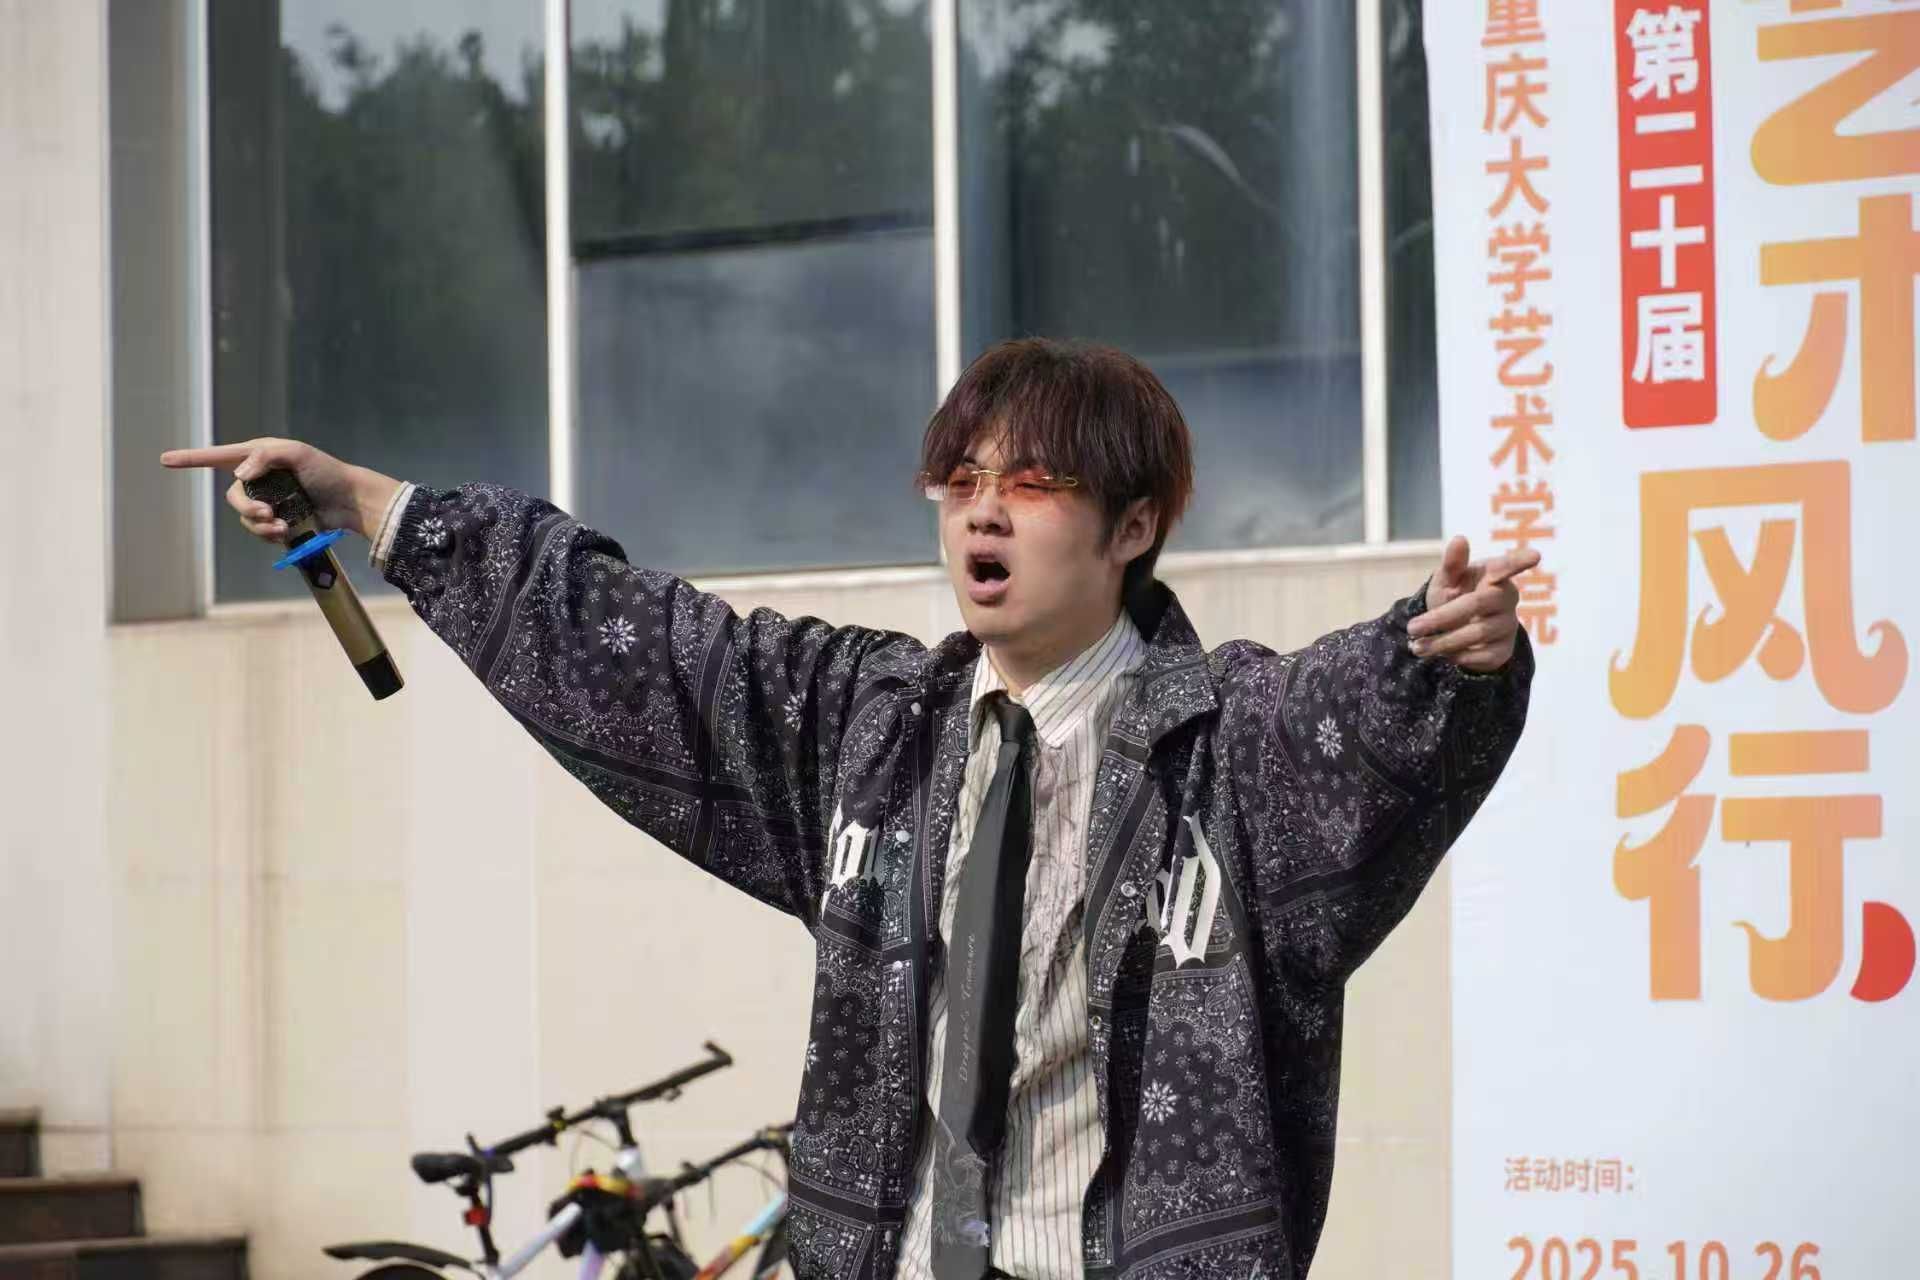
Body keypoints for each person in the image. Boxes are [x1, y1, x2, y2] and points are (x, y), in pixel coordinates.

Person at [163, 338, 1536, 1280]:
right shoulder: (873, 726)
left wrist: (1452, 663)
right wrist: (378, 508)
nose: (983, 515)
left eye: (1034, 485)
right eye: (963, 482)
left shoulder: (1228, 744)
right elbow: (641, 646)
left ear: (1132, 528)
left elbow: (1367, 713)